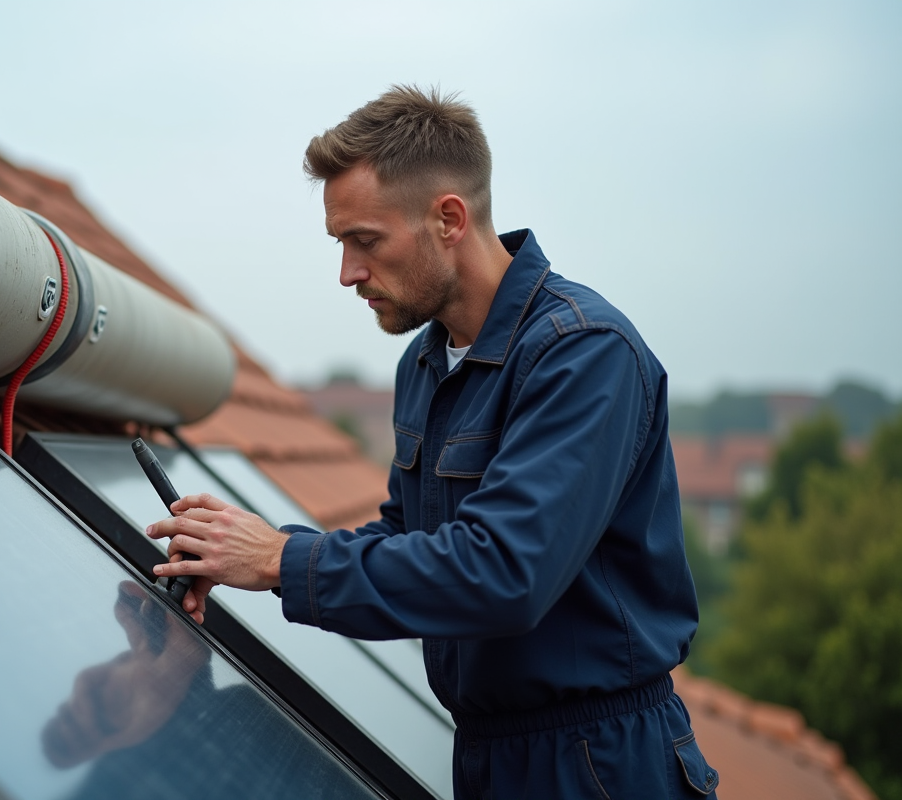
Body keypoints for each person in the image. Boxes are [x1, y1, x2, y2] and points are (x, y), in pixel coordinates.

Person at [147, 85, 719, 799]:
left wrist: (281, 561)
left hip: (598, 764)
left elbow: (504, 572)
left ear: (448, 217)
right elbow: (408, 533)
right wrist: (244, 552)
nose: (348, 273)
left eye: (366, 240)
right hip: (486, 758)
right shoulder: (425, 361)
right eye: (341, 244)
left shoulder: (583, 353)